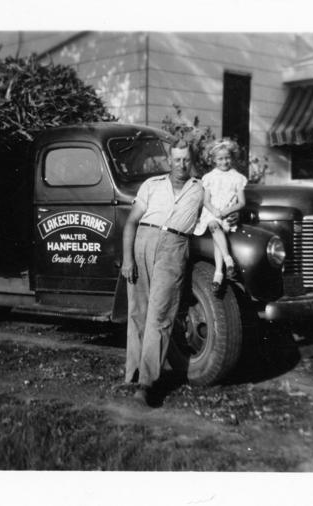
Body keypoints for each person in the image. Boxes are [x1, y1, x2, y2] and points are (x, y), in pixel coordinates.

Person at [120, 142, 204, 406]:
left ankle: (146, 385)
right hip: (143, 241)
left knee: (160, 315)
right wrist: (127, 259)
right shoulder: (151, 185)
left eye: (186, 160)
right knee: (138, 312)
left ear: (192, 161)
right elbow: (131, 222)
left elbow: (219, 209)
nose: (181, 164)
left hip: (174, 248)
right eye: (177, 159)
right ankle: (132, 375)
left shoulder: (200, 189)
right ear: (169, 160)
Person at [193, 139, 247, 292]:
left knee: (218, 238)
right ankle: (228, 260)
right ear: (214, 160)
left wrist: (227, 211)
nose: (224, 162)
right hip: (212, 213)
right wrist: (214, 210)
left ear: (232, 157)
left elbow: (242, 202)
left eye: (227, 158)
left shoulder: (237, 178)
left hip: (227, 214)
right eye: (220, 159)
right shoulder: (209, 177)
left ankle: (218, 273)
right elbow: (206, 201)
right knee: (213, 225)